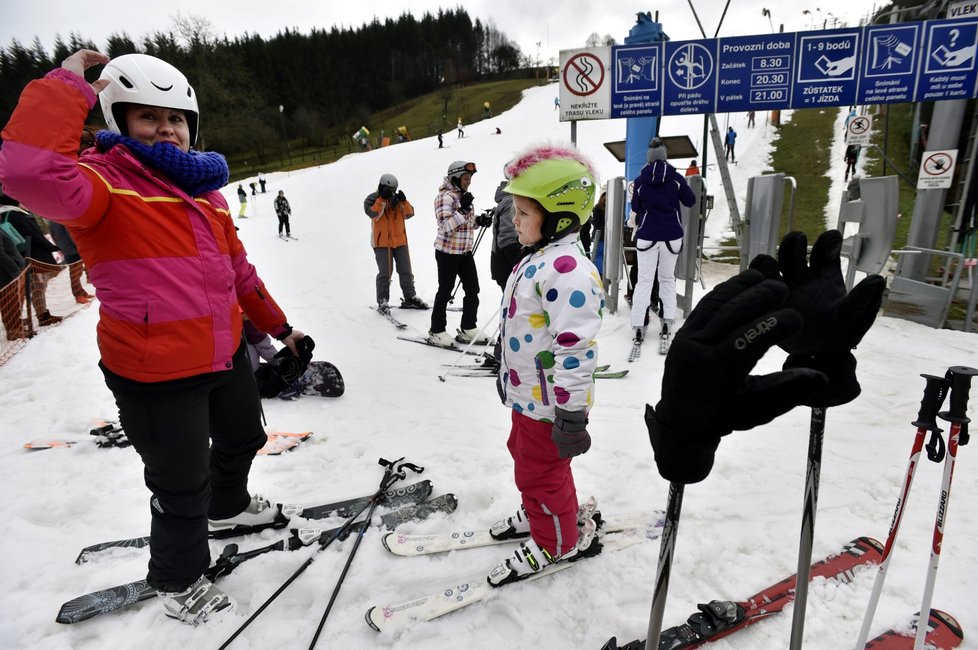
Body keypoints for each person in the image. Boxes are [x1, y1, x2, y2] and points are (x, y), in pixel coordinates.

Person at [0, 49, 310, 626]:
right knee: (180, 482)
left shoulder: (209, 195)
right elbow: (26, 173)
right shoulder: (100, 186)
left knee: (244, 439)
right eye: (149, 117)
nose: (167, 129)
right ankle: (177, 577)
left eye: (177, 119)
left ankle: (230, 507)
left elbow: (239, 273)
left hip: (220, 355)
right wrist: (68, 86)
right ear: (118, 121)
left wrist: (280, 328)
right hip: (154, 372)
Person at [486, 143, 605, 587]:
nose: (513, 222)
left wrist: (571, 413)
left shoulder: (568, 271)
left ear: (559, 216)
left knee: (540, 470)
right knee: (529, 460)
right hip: (528, 396)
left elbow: (576, 350)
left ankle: (556, 539)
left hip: (553, 403)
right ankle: (547, 511)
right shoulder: (539, 259)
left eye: (522, 213)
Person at [629, 138, 695, 348]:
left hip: (647, 234)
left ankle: (639, 324)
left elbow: (637, 207)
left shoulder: (640, 180)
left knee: (644, 280)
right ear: (665, 157)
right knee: (667, 279)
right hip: (672, 235)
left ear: (648, 159)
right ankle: (667, 321)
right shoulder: (675, 178)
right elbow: (690, 200)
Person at [429, 161, 483, 346]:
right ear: (456, 177)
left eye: (470, 179)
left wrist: (479, 221)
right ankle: (437, 330)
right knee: (445, 291)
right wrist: (462, 210)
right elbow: (445, 227)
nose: (469, 182)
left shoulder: (463, 196)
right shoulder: (444, 197)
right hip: (447, 253)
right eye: (466, 178)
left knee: (473, 289)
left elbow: (466, 223)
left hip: (464, 252)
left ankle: (468, 327)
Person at [363, 173, 428, 313]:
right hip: (382, 243)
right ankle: (383, 301)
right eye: (390, 189)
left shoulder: (396, 200)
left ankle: (410, 297)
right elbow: (374, 215)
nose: (392, 192)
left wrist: (404, 201)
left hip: (400, 241)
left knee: (406, 271)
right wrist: (382, 199)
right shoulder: (372, 199)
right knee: (385, 273)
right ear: (382, 186)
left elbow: (409, 214)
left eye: (394, 190)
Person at [0, 197, 64, 326]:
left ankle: (18, 320)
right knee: (37, 286)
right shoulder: (15, 214)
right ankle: (41, 315)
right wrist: (51, 247)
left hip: (24, 255)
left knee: (30, 288)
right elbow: (32, 234)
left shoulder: (9, 214)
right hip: (33, 255)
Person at [489, 171, 522, 291]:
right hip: (508, 268)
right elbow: (508, 239)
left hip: (504, 266)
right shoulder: (511, 202)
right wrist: (521, 263)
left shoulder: (511, 200)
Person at [0, 227, 27, 340]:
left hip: (6, 270)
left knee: (12, 300)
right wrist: (14, 270)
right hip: (4, 272)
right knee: (9, 301)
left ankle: (15, 324)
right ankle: (14, 329)